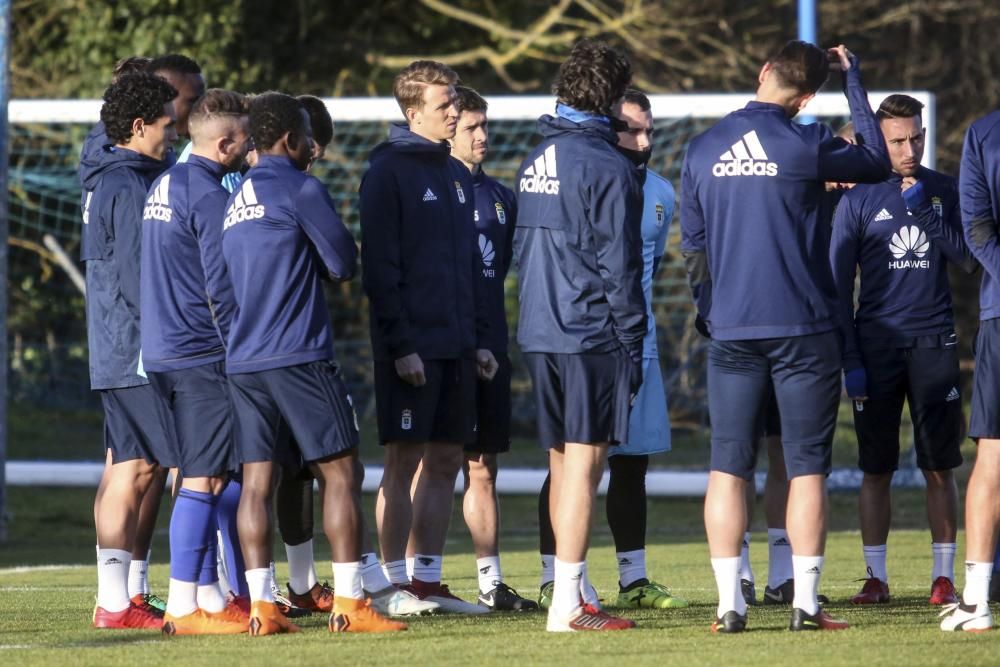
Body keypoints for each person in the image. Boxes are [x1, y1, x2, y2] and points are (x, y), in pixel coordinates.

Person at [680, 40, 890, 633]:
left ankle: (730, 606)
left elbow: (693, 249)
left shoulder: (700, 148)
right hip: (803, 329)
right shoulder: (808, 142)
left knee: (728, 467)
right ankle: (805, 605)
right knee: (805, 469)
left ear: (762, 71)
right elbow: (875, 160)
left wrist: (709, 310)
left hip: (733, 331)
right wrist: (855, 80)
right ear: (806, 98)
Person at [222, 92, 406, 635]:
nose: (314, 145)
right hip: (297, 353)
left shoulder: (237, 197)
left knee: (257, 482)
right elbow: (342, 262)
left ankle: (264, 606)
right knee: (342, 471)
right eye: (307, 134)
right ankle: (352, 603)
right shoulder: (300, 187)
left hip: (244, 358)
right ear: (289, 139)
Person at [535, 88, 686, 612]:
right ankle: (557, 577)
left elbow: (648, 271)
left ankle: (634, 577)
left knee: (631, 465)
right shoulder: (583, 176)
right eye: (631, 130)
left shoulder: (663, 194)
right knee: (570, 464)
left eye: (649, 130)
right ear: (606, 127)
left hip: (636, 344)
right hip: (586, 341)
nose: (642, 142)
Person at [515, 39, 645, 633]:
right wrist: (634, 342)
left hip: (540, 328)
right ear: (614, 99)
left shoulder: (535, 155)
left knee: (564, 463)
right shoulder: (607, 165)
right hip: (590, 332)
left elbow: (521, 251)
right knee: (587, 465)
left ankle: (573, 590)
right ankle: (567, 605)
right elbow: (620, 268)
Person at [360, 61, 497, 615]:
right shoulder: (386, 172)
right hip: (412, 349)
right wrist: (400, 346)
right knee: (404, 460)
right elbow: (381, 269)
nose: (455, 112)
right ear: (413, 111)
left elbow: (466, 267)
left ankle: (428, 581)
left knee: (445, 460)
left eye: (456, 102)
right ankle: (389, 584)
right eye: (445, 104)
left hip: (458, 346)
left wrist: (478, 339)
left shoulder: (456, 174)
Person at [831, 94, 970, 608]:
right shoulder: (857, 200)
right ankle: (875, 578)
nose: (908, 148)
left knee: (939, 466)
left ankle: (943, 577)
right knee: (876, 469)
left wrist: (927, 214)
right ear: (880, 141)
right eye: (896, 141)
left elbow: (966, 258)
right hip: (876, 348)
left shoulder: (945, 190)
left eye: (916, 137)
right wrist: (851, 360)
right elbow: (838, 287)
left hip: (934, 343)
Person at [415, 84, 535, 611]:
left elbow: (496, 274)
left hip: (490, 345)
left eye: (486, 126)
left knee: (483, 465)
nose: (482, 136)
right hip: (444, 346)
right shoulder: (430, 191)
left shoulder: (502, 198)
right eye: (471, 127)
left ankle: (491, 580)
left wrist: (490, 341)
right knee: (433, 462)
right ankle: (421, 577)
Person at [140, 89, 253, 635]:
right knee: (204, 479)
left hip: (161, 351)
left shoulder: (165, 181)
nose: (250, 147)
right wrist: (243, 347)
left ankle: (206, 596)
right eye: (246, 139)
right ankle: (184, 606)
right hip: (200, 352)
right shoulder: (209, 194)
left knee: (197, 473)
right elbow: (220, 283)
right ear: (226, 143)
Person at [740, 121, 855, 608]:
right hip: (754, 335)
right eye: (844, 155)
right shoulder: (782, 189)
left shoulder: (850, 206)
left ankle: (782, 575)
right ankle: (739, 573)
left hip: (809, 343)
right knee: (738, 461)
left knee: (788, 460)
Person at [81, 72, 179, 629]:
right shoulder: (127, 185)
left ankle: (117, 601)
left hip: (116, 349)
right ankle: (131, 600)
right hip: (139, 351)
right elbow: (139, 279)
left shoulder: (113, 176)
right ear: (139, 126)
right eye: (166, 124)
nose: (172, 133)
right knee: (165, 465)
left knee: (135, 466)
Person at [938, 101, 1000, 632]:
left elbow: (978, 231)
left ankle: (977, 602)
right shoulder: (984, 132)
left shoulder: (984, 132)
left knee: (993, 457)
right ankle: (978, 599)